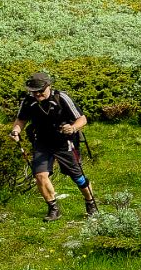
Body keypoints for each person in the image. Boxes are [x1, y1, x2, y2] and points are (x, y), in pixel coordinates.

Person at [10, 72, 98, 221]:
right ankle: (53, 209)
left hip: (65, 142)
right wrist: (16, 131)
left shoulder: (61, 98)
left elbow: (82, 119)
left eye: (40, 91)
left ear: (48, 86)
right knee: (40, 175)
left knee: (77, 177)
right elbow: (21, 119)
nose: (37, 94)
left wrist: (73, 128)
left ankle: (90, 202)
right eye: (33, 91)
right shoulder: (28, 101)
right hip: (41, 142)